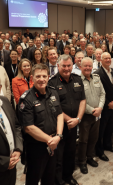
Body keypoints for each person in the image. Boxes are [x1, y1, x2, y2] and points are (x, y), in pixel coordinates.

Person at [17, 64, 63, 185]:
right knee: (33, 178)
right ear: (32, 78)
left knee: (49, 177)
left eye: (44, 76)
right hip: (36, 147)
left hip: (54, 143)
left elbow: (59, 114)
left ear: (48, 77)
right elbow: (29, 128)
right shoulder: (26, 99)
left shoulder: (53, 92)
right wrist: (50, 140)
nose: (41, 79)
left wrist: (58, 136)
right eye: (38, 76)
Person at [48, 54, 85, 185]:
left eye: (69, 65)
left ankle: (68, 176)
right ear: (58, 66)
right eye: (63, 66)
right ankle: (59, 181)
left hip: (74, 125)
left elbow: (82, 100)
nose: (66, 68)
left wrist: (78, 119)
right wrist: (70, 120)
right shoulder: (52, 83)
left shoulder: (77, 79)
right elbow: (54, 106)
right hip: (59, 126)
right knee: (59, 156)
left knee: (70, 153)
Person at [78, 58, 105, 174]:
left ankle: (89, 157)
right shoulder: (77, 81)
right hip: (85, 115)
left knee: (94, 137)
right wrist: (92, 110)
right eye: (85, 66)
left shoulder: (97, 78)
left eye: (90, 66)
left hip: (97, 114)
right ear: (81, 67)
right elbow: (78, 100)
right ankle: (82, 161)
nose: (88, 68)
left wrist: (100, 108)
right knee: (83, 140)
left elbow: (103, 94)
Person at [95, 52, 113, 161]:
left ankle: (108, 145)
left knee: (110, 127)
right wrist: (108, 103)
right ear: (101, 59)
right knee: (101, 130)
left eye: (109, 58)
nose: (108, 60)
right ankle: (100, 151)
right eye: (106, 58)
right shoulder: (97, 73)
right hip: (104, 107)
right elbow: (97, 93)